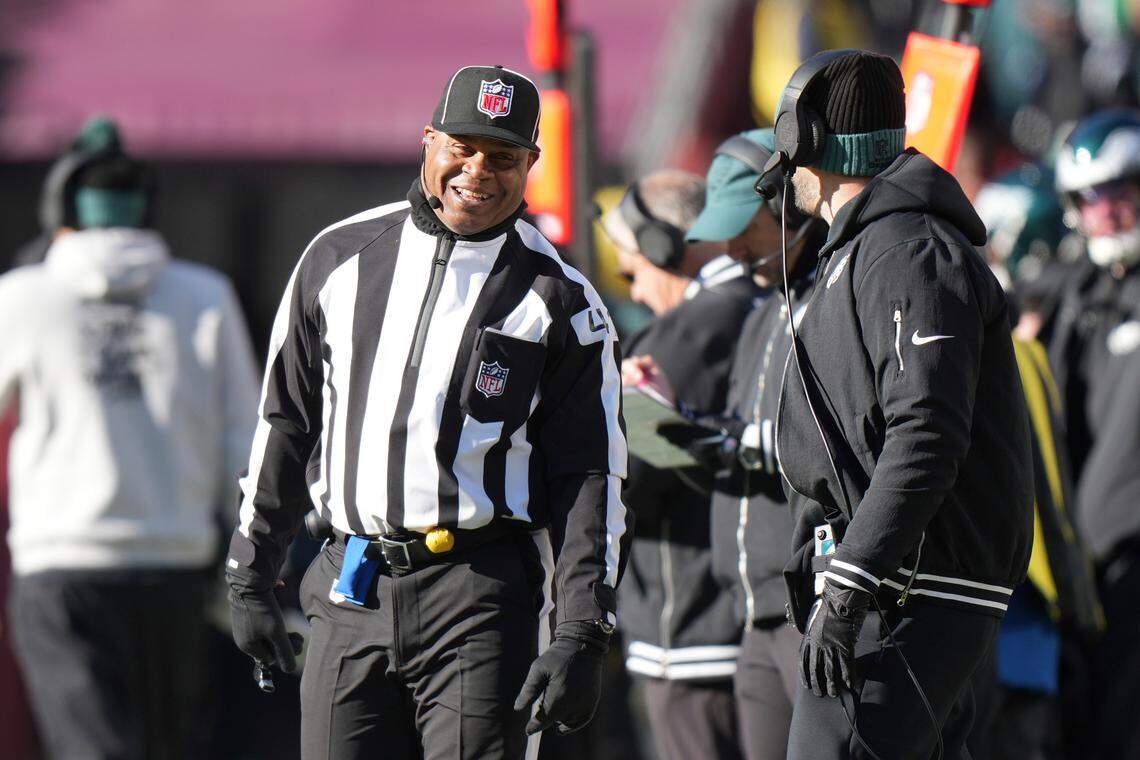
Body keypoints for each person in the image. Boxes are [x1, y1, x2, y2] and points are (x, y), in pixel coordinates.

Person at [224, 65, 630, 760]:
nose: (478, 171)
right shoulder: (338, 256)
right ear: (428, 140)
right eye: (462, 148)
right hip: (350, 581)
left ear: (531, 164)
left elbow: (590, 477)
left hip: (480, 594)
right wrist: (250, 570)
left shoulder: (561, 298)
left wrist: (581, 631)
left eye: (503, 157)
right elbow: (286, 422)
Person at [768, 50, 1034, 759]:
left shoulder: (910, 251)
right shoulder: (871, 248)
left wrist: (851, 582)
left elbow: (926, 433)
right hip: (892, 586)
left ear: (804, 138)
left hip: (905, 593)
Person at [0, 117, 260, 759]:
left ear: (61, 208)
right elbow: (246, 436)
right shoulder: (205, 295)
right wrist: (252, 552)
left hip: (62, 560)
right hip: (177, 560)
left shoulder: (22, 297)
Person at [602, 169, 758, 760]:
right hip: (746, 620)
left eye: (633, 273)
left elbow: (630, 484)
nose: (637, 294)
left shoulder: (688, 329)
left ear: (665, 247)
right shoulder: (765, 306)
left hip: (692, 625)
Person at [686, 127, 828, 760]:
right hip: (753, 616)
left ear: (788, 205)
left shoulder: (834, 296)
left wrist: (757, 442)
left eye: (745, 226)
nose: (734, 249)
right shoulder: (762, 316)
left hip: (811, 613)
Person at [1049, 106, 1140, 760]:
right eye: (1086, 199)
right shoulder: (1077, 293)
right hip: (1078, 572)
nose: (1101, 213)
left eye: (1115, 192)